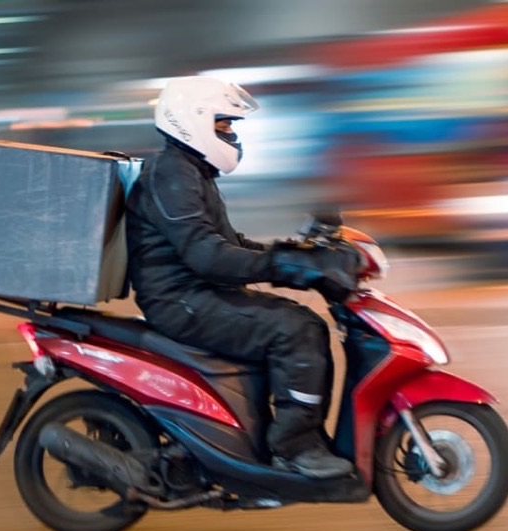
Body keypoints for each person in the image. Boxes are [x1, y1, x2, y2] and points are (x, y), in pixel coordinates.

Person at [125, 76, 358, 479]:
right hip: (182, 301)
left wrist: (291, 254)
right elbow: (208, 256)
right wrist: (283, 266)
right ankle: (293, 448)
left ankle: (274, 434)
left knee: (297, 323)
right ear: (192, 120)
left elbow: (228, 244)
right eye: (224, 125)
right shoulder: (173, 175)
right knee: (296, 329)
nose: (231, 135)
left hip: (195, 294)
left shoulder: (190, 171)